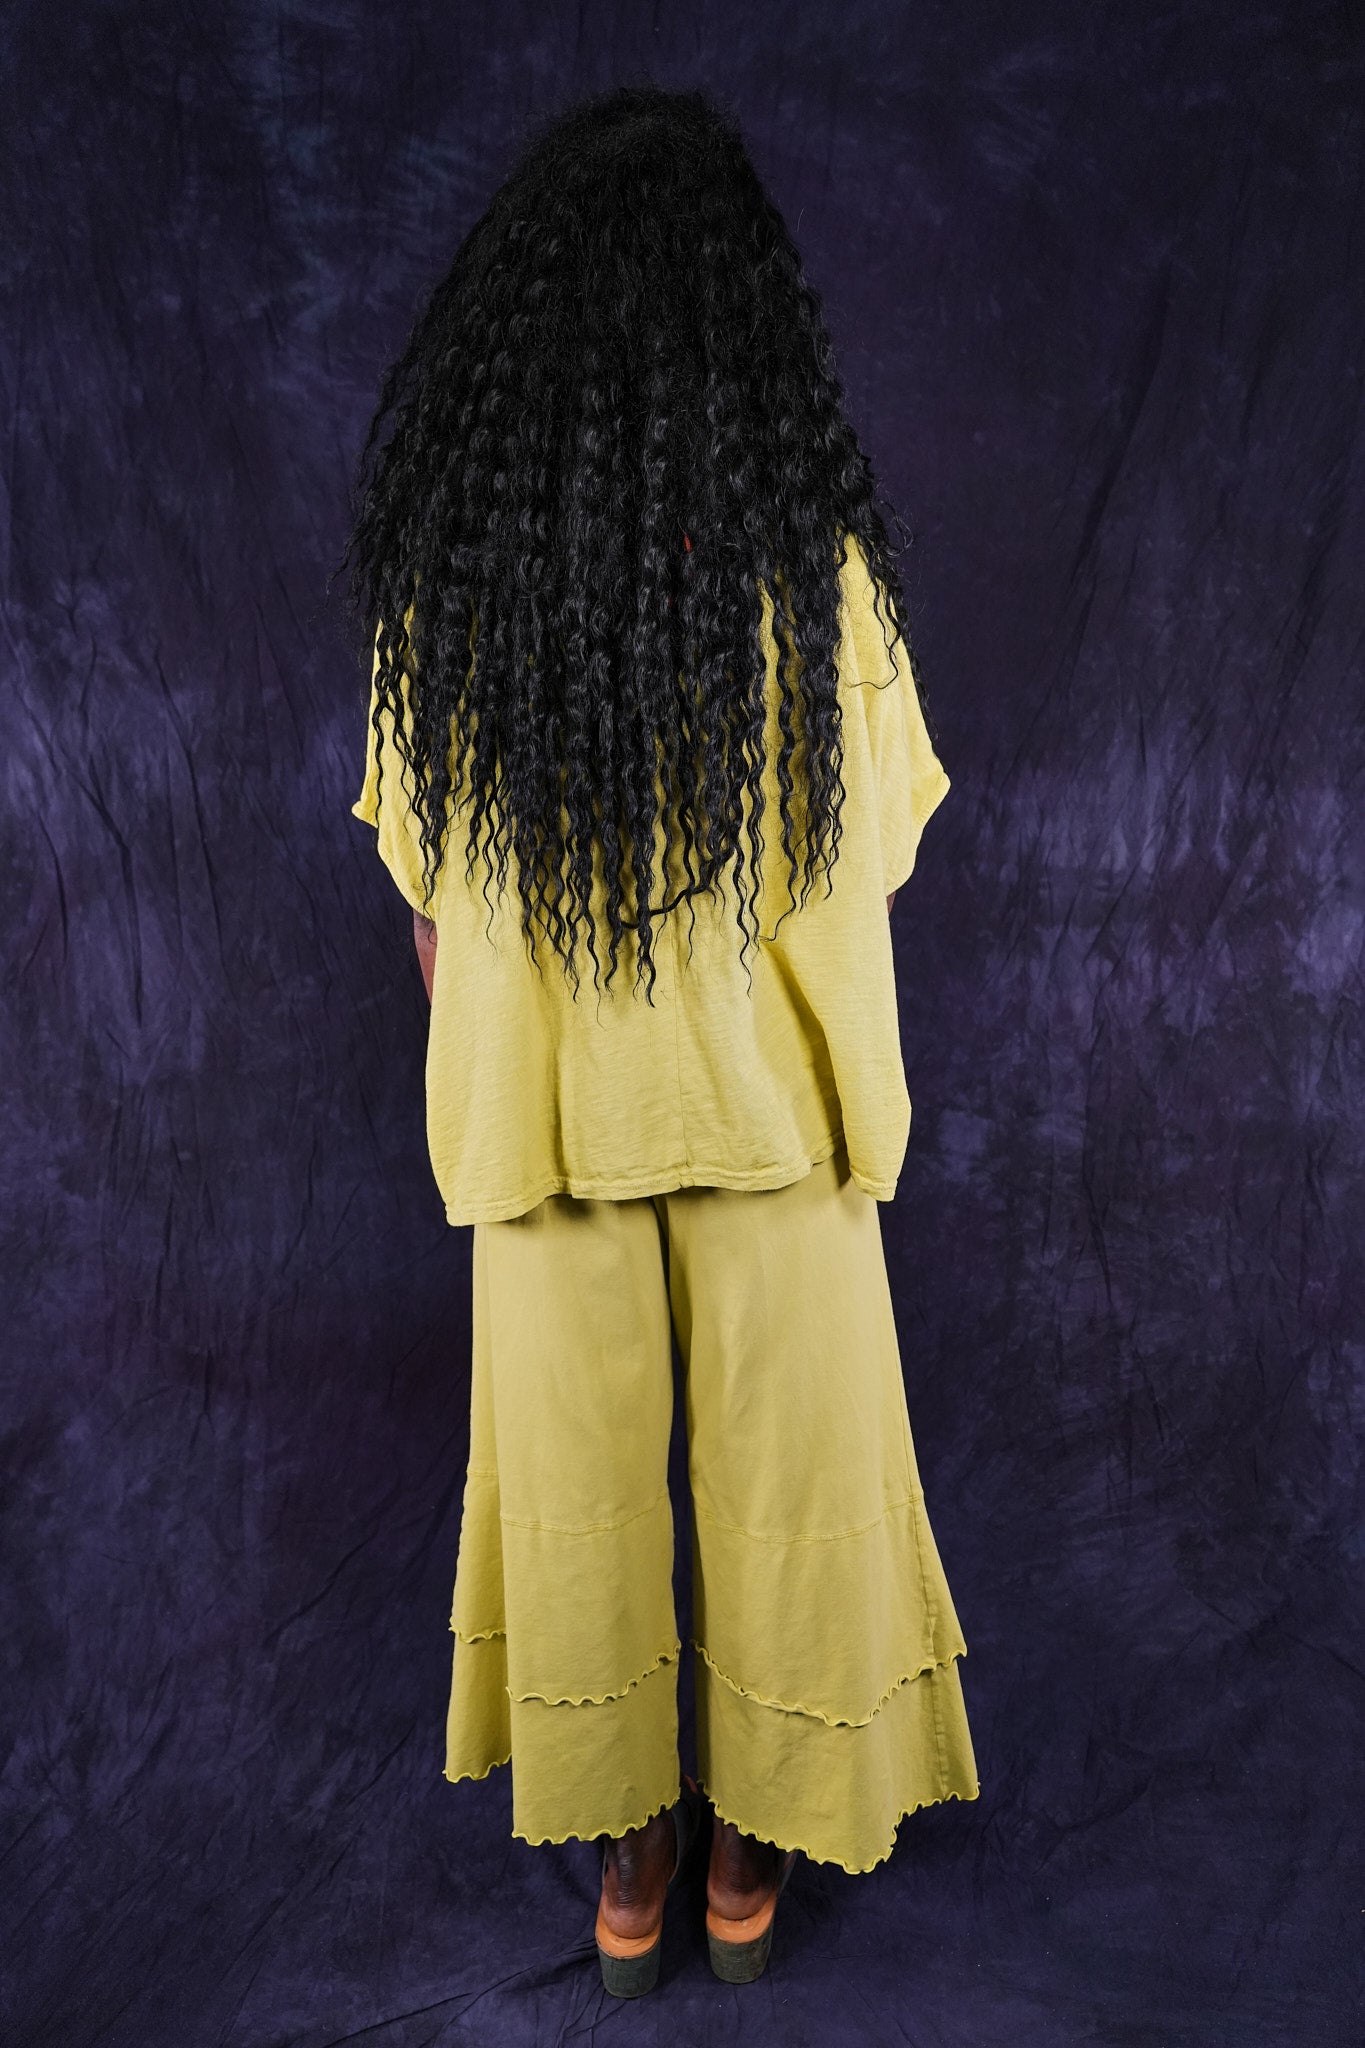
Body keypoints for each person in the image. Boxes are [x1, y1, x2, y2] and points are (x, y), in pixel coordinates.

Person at [341, 82, 979, 1997]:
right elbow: (874, 868)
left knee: (574, 1497)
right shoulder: (823, 589)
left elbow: (431, 917)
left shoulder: (455, 608)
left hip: (549, 1135)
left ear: (521, 330)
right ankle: (749, 1853)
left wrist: (532, 1047)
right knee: (795, 1486)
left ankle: (630, 1855)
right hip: (774, 1123)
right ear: (744, 329)